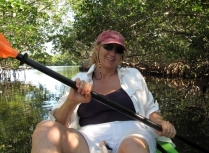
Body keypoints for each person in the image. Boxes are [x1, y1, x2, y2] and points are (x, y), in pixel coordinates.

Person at [31, 30, 176, 153]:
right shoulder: (79, 79)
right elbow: (60, 123)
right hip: (89, 137)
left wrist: (161, 122)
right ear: (97, 48)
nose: (113, 53)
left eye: (118, 50)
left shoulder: (133, 75)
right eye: (108, 46)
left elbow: (151, 110)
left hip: (133, 133)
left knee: (131, 146)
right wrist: (71, 101)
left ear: (121, 55)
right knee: (45, 128)